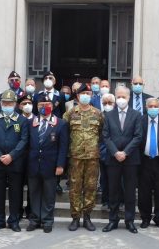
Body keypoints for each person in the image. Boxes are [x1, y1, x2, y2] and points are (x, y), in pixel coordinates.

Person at [0, 90, 29, 232]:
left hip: (15, 163)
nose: (7, 105)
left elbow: (24, 140)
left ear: (15, 104)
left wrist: (11, 155)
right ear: (1, 103)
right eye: (5, 103)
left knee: (15, 193)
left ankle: (14, 221)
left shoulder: (22, 120)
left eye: (10, 103)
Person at [101, 86, 143, 234]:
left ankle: (129, 220)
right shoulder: (109, 115)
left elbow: (138, 136)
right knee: (113, 191)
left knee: (130, 191)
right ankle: (113, 220)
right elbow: (105, 136)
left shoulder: (137, 115)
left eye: (123, 97)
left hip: (131, 159)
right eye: (118, 96)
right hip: (113, 159)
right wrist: (115, 152)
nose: (120, 99)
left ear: (129, 98)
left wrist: (125, 152)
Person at [25, 96, 70, 233]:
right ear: (37, 106)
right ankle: (35, 220)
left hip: (51, 165)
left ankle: (47, 220)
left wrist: (60, 165)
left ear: (52, 105)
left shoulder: (60, 123)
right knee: (34, 193)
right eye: (41, 104)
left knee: (49, 194)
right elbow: (26, 145)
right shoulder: (30, 123)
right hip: (33, 164)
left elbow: (63, 147)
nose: (44, 106)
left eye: (47, 103)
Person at [63, 83, 104, 231]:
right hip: (75, 157)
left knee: (91, 187)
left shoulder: (98, 113)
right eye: (83, 94)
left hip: (93, 157)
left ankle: (87, 216)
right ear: (78, 96)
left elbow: (101, 133)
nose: (86, 96)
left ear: (91, 96)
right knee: (75, 187)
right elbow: (64, 132)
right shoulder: (70, 113)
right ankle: (75, 217)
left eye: (88, 93)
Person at [137, 98, 159, 230]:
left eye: (155, 106)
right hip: (144, 161)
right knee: (144, 192)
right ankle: (145, 218)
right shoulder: (140, 121)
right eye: (150, 106)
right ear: (146, 107)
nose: (153, 108)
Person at [99, 93, 116, 207]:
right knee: (104, 178)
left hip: (116, 151)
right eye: (105, 103)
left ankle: (117, 201)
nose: (107, 105)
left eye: (110, 103)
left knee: (117, 179)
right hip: (103, 151)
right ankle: (105, 200)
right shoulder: (99, 116)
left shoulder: (118, 115)